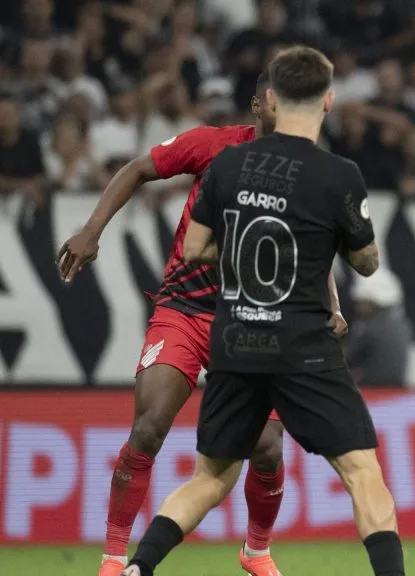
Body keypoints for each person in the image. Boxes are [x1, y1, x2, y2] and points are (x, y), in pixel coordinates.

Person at [115, 45, 404, 576]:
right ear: (328, 101)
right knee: (362, 471)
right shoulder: (338, 175)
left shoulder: (227, 164)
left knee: (210, 477)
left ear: (271, 98)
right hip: (301, 347)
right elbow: (365, 264)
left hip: (235, 340)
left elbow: (196, 249)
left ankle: (138, 567)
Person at [55, 71, 346, 576]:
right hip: (185, 310)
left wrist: (332, 305)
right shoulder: (212, 146)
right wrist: (91, 230)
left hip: (254, 321)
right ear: (257, 106)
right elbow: (137, 169)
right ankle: (111, 557)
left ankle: (256, 551)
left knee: (268, 446)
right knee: (148, 428)